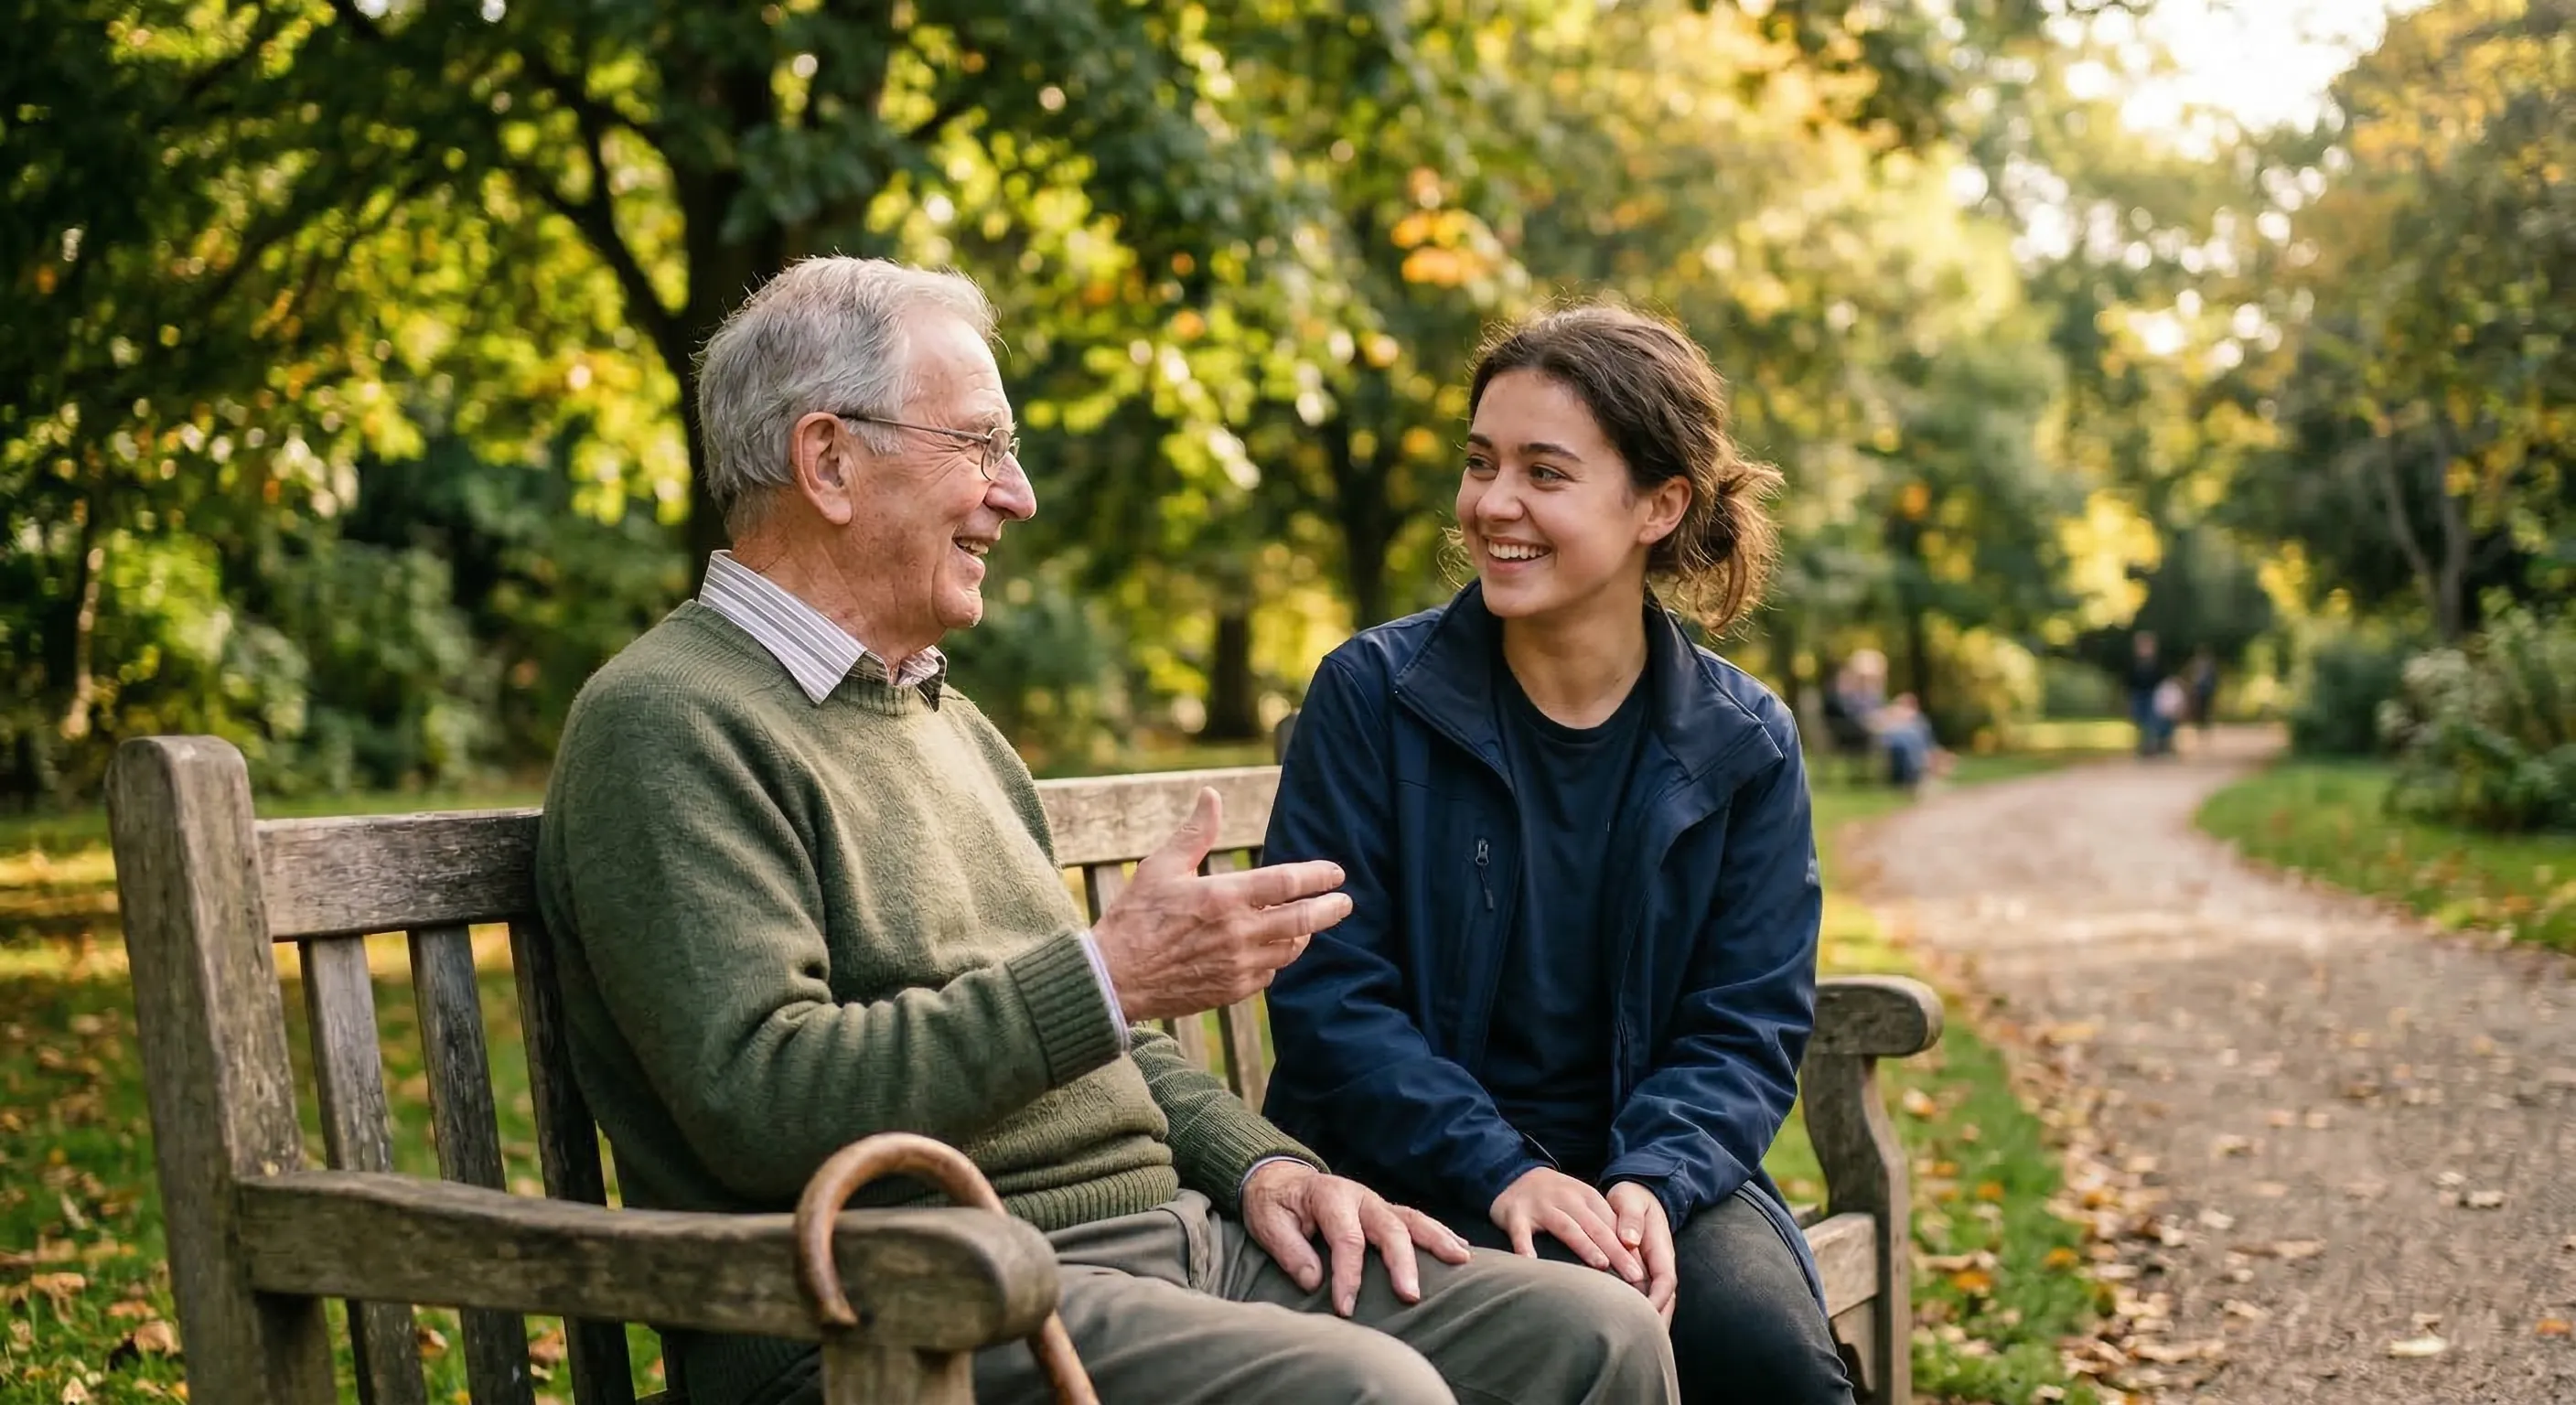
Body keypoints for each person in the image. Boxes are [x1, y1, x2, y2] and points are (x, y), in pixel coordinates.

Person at [534, 259, 1675, 1405]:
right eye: (978, 446)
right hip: (912, 1309)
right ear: (827, 460)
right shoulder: (668, 723)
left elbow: (1096, 1047)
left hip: (1166, 1246)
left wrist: (1264, 1163)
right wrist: (1109, 973)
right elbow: (763, 1101)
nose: (1015, 493)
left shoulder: (950, 726)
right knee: (1370, 1395)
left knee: (1591, 1331)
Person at [1261, 303, 1854, 1405]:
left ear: (1658, 505)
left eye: (1544, 471)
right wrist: (1507, 1172)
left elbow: (1746, 1018)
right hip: (1409, 1168)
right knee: (1568, 1329)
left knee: (1769, 1364)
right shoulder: (1370, 697)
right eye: (1480, 463)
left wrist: (1649, 1183)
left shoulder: (1742, 743)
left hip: (1654, 1174)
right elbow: (1330, 998)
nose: (1492, 505)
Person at [2125, 629, 2164, 757]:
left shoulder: (2156, 662)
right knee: (2139, 720)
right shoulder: (2133, 662)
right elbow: (2128, 680)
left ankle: (2151, 745)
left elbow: (2161, 680)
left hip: (2152, 694)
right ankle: (2143, 745)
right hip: (2138, 694)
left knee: (2151, 721)